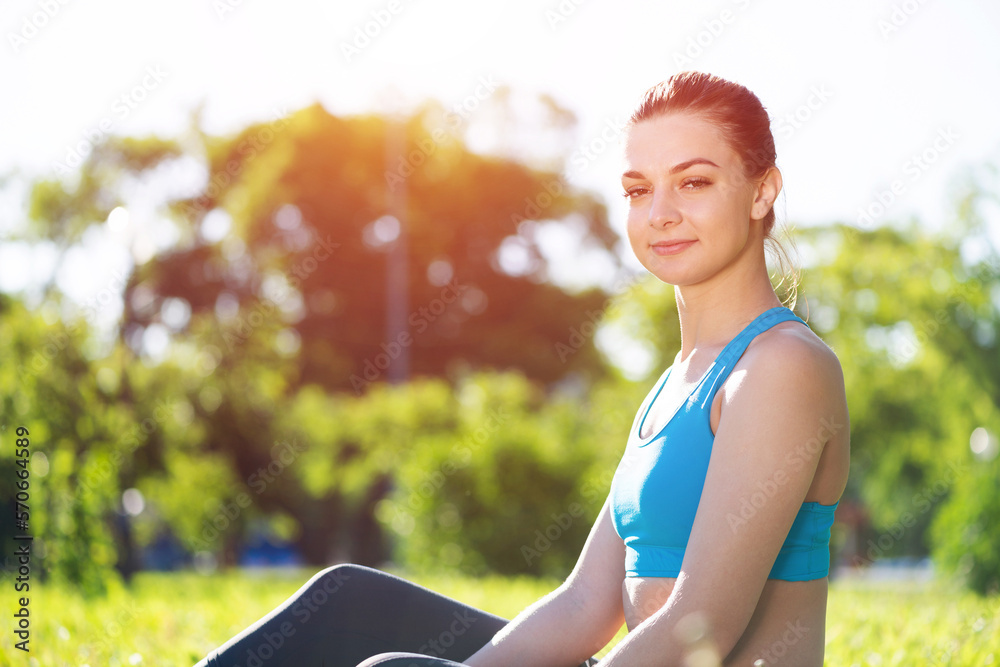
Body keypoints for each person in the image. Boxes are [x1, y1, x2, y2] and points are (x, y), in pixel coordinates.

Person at [194, 70, 849, 667]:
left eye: (694, 181)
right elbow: (585, 604)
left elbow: (701, 622)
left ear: (763, 191)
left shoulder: (781, 366)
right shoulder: (674, 383)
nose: (660, 213)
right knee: (346, 601)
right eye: (638, 189)